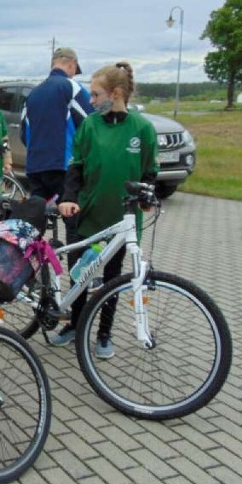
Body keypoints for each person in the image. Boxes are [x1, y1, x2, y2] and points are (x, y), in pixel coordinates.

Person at [53, 62, 158, 357]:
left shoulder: (142, 128)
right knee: (81, 274)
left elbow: (150, 171)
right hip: (88, 217)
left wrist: (148, 196)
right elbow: (75, 167)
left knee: (112, 279)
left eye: (96, 94)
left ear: (115, 93)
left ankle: (103, 333)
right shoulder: (90, 125)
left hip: (122, 221)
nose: (92, 100)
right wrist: (68, 197)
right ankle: (75, 324)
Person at [22, 47, 94, 201]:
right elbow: (91, 121)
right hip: (63, 166)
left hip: (35, 167)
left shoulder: (33, 94)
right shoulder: (72, 87)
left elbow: (23, 134)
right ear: (72, 64)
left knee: (37, 217)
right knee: (72, 214)